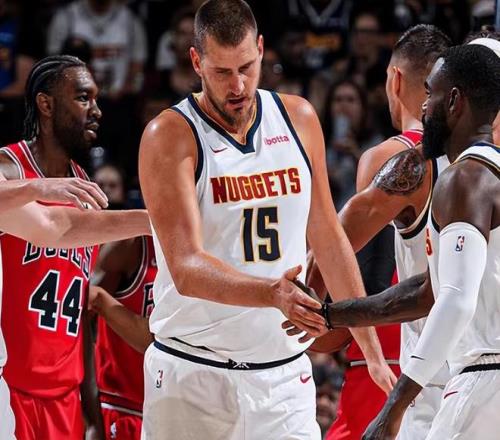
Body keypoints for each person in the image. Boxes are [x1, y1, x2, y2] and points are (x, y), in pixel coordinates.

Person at [138, 1, 395, 439]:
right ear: (196, 62)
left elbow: (327, 235)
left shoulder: (299, 118)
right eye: (222, 72)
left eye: (246, 67)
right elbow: (185, 267)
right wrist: (272, 293)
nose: (238, 85)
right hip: (193, 375)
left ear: (261, 49)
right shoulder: (170, 135)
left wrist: (370, 349)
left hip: (283, 380)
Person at [317, 44, 500, 440]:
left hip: (482, 382)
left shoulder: (464, 177)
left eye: (431, 93)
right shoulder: (485, 173)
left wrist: (393, 408)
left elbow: (455, 300)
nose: (424, 107)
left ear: (454, 100)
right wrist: (331, 314)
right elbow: (427, 292)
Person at [301, 24, 451, 440]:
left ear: (395, 79)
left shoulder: (391, 158)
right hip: (463, 360)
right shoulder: (477, 160)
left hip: (390, 358)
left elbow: (348, 264)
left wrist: (319, 322)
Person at [0, 54, 150, 440]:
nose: (96, 110)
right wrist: (36, 187)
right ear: (46, 104)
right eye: (83, 98)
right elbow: (51, 225)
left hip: (66, 395)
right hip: (9, 387)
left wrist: (91, 407)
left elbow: (82, 308)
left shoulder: (83, 187)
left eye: (96, 99)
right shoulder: (10, 166)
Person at [0, 176, 151, 440]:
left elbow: (51, 225)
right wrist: (35, 187)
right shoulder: (15, 170)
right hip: (24, 381)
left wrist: (156, 220)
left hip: (53, 388)